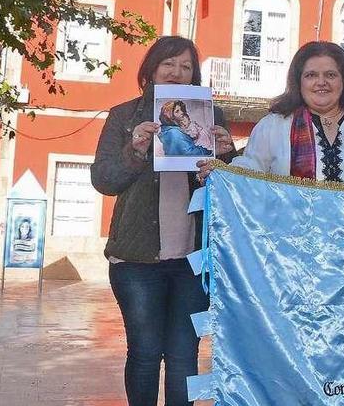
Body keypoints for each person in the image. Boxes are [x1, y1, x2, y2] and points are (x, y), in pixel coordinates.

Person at [91, 36, 238, 406]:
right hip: (136, 260)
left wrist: (227, 156)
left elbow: (229, 191)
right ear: (151, 69)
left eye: (186, 66)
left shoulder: (210, 117)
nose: (177, 72)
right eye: (168, 64)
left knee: (184, 356)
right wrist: (135, 150)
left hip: (193, 260)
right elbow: (104, 180)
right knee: (144, 353)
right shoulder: (125, 115)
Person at [197, 41, 344, 190]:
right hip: (291, 245)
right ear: (299, 82)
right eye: (311, 75)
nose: (321, 82)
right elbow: (249, 173)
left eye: (330, 75)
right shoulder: (274, 126)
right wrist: (220, 172)